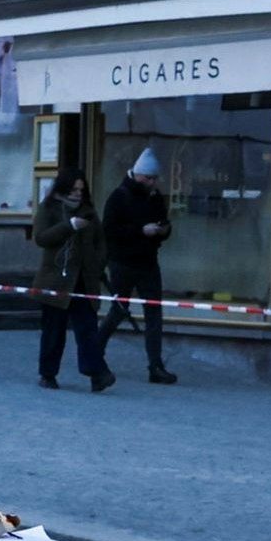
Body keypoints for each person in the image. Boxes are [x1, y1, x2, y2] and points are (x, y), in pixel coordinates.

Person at [30, 160, 115, 392]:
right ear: (63, 188)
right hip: (56, 281)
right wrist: (69, 226)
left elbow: (100, 242)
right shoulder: (48, 209)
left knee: (87, 330)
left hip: (83, 280)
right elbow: (41, 238)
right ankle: (48, 374)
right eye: (73, 189)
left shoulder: (88, 212)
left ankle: (97, 373)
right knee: (53, 331)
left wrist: (98, 265)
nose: (77, 194)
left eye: (81, 189)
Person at [100, 148, 179, 383]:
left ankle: (155, 366)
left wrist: (163, 231)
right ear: (138, 174)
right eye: (149, 178)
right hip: (123, 262)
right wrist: (141, 231)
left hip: (148, 262)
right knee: (119, 310)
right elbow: (109, 230)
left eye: (155, 178)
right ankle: (95, 349)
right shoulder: (119, 197)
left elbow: (163, 223)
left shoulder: (154, 198)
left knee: (154, 313)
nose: (153, 183)